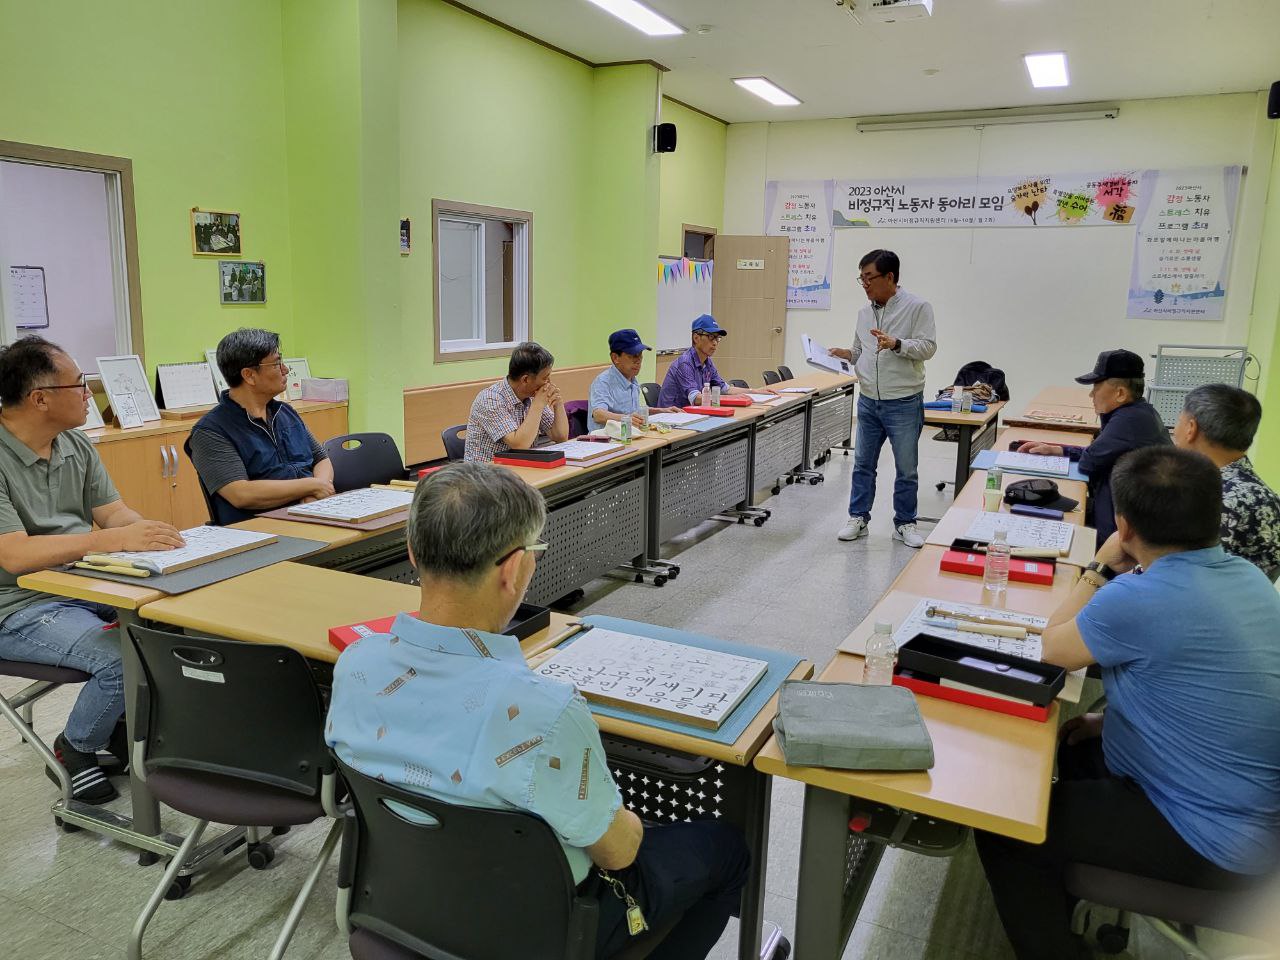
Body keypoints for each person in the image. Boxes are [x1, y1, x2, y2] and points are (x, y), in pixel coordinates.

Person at [327, 463, 750, 959]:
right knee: (724, 848)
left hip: (405, 906)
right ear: (513, 569)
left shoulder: (355, 664)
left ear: (413, 553)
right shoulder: (544, 711)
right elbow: (620, 852)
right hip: (541, 933)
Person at [975, 447, 1280, 960]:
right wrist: (1108, 722)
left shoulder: (1137, 597)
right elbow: (1198, 684)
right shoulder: (1247, 577)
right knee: (1066, 752)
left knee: (1006, 826)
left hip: (1210, 839)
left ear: (1124, 525)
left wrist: (1098, 566)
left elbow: (1053, 648)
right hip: (1251, 807)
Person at [0, 336, 185, 803]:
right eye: (79, 384)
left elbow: (114, 515)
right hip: (16, 604)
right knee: (125, 659)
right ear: (40, 399)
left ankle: (125, 731)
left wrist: (153, 537)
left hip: (81, 582)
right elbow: (14, 556)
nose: (89, 393)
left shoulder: (74, 445)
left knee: (174, 629)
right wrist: (114, 539)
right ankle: (75, 748)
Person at [829, 249, 937, 548]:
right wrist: (845, 354)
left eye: (869, 278)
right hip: (868, 400)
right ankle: (858, 518)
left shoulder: (918, 307)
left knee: (906, 468)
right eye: (861, 278)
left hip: (903, 401)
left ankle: (905, 523)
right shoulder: (865, 313)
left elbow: (928, 347)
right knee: (863, 464)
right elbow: (860, 351)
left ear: (890, 277)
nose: (864, 284)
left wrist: (897, 344)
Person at [1018, 348, 1169, 542]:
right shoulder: (1138, 412)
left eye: (1096, 387)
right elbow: (1102, 452)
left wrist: (1103, 416)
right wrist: (1058, 450)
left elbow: (1089, 462)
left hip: (1130, 533)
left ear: (1120, 393)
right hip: (1126, 515)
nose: (1091, 395)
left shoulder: (1129, 420)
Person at [188, 328, 334, 525]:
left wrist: (317, 492)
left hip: (310, 513)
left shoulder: (285, 412)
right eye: (276, 364)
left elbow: (321, 458)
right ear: (249, 375)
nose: (285, 370)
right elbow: (241, 493)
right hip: (259, 529)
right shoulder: (210, 431)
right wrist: (310, 487)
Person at [1173, 383, 1280, 581]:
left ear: (1191, 428)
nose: (1174, 433)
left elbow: (1185, 579)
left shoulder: (1216, 500)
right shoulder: (1260, 494)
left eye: (1179, 421)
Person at [464, 341, 569, 462]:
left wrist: (558, 403)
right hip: (486, 475)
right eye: (545, 378)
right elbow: (519, 445)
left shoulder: (532, 396)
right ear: (525, 379)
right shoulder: (490, 399)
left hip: (521, 469)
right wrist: (538, 405)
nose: (548, 383)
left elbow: (560, 437)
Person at [656, 315, 776, 409]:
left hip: (691, 415)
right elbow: (696, 398)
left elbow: (725, 389)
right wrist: (731, 399)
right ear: (696, 338)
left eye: (717, 338)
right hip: (671, 420)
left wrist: (754, 391)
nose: (715, 343)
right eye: (711, 337)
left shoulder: (707, 362)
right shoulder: (685, 363)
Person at [588, 329, 679, 427]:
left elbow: (633, 411)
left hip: (628, 437)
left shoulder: (631, 378)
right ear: (615, 358)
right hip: (606, 440)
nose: (638, 361)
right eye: (632, 356)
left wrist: (662, 411)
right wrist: (626, 419)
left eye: (640, 355)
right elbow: (598, 415)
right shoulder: (603, 382)